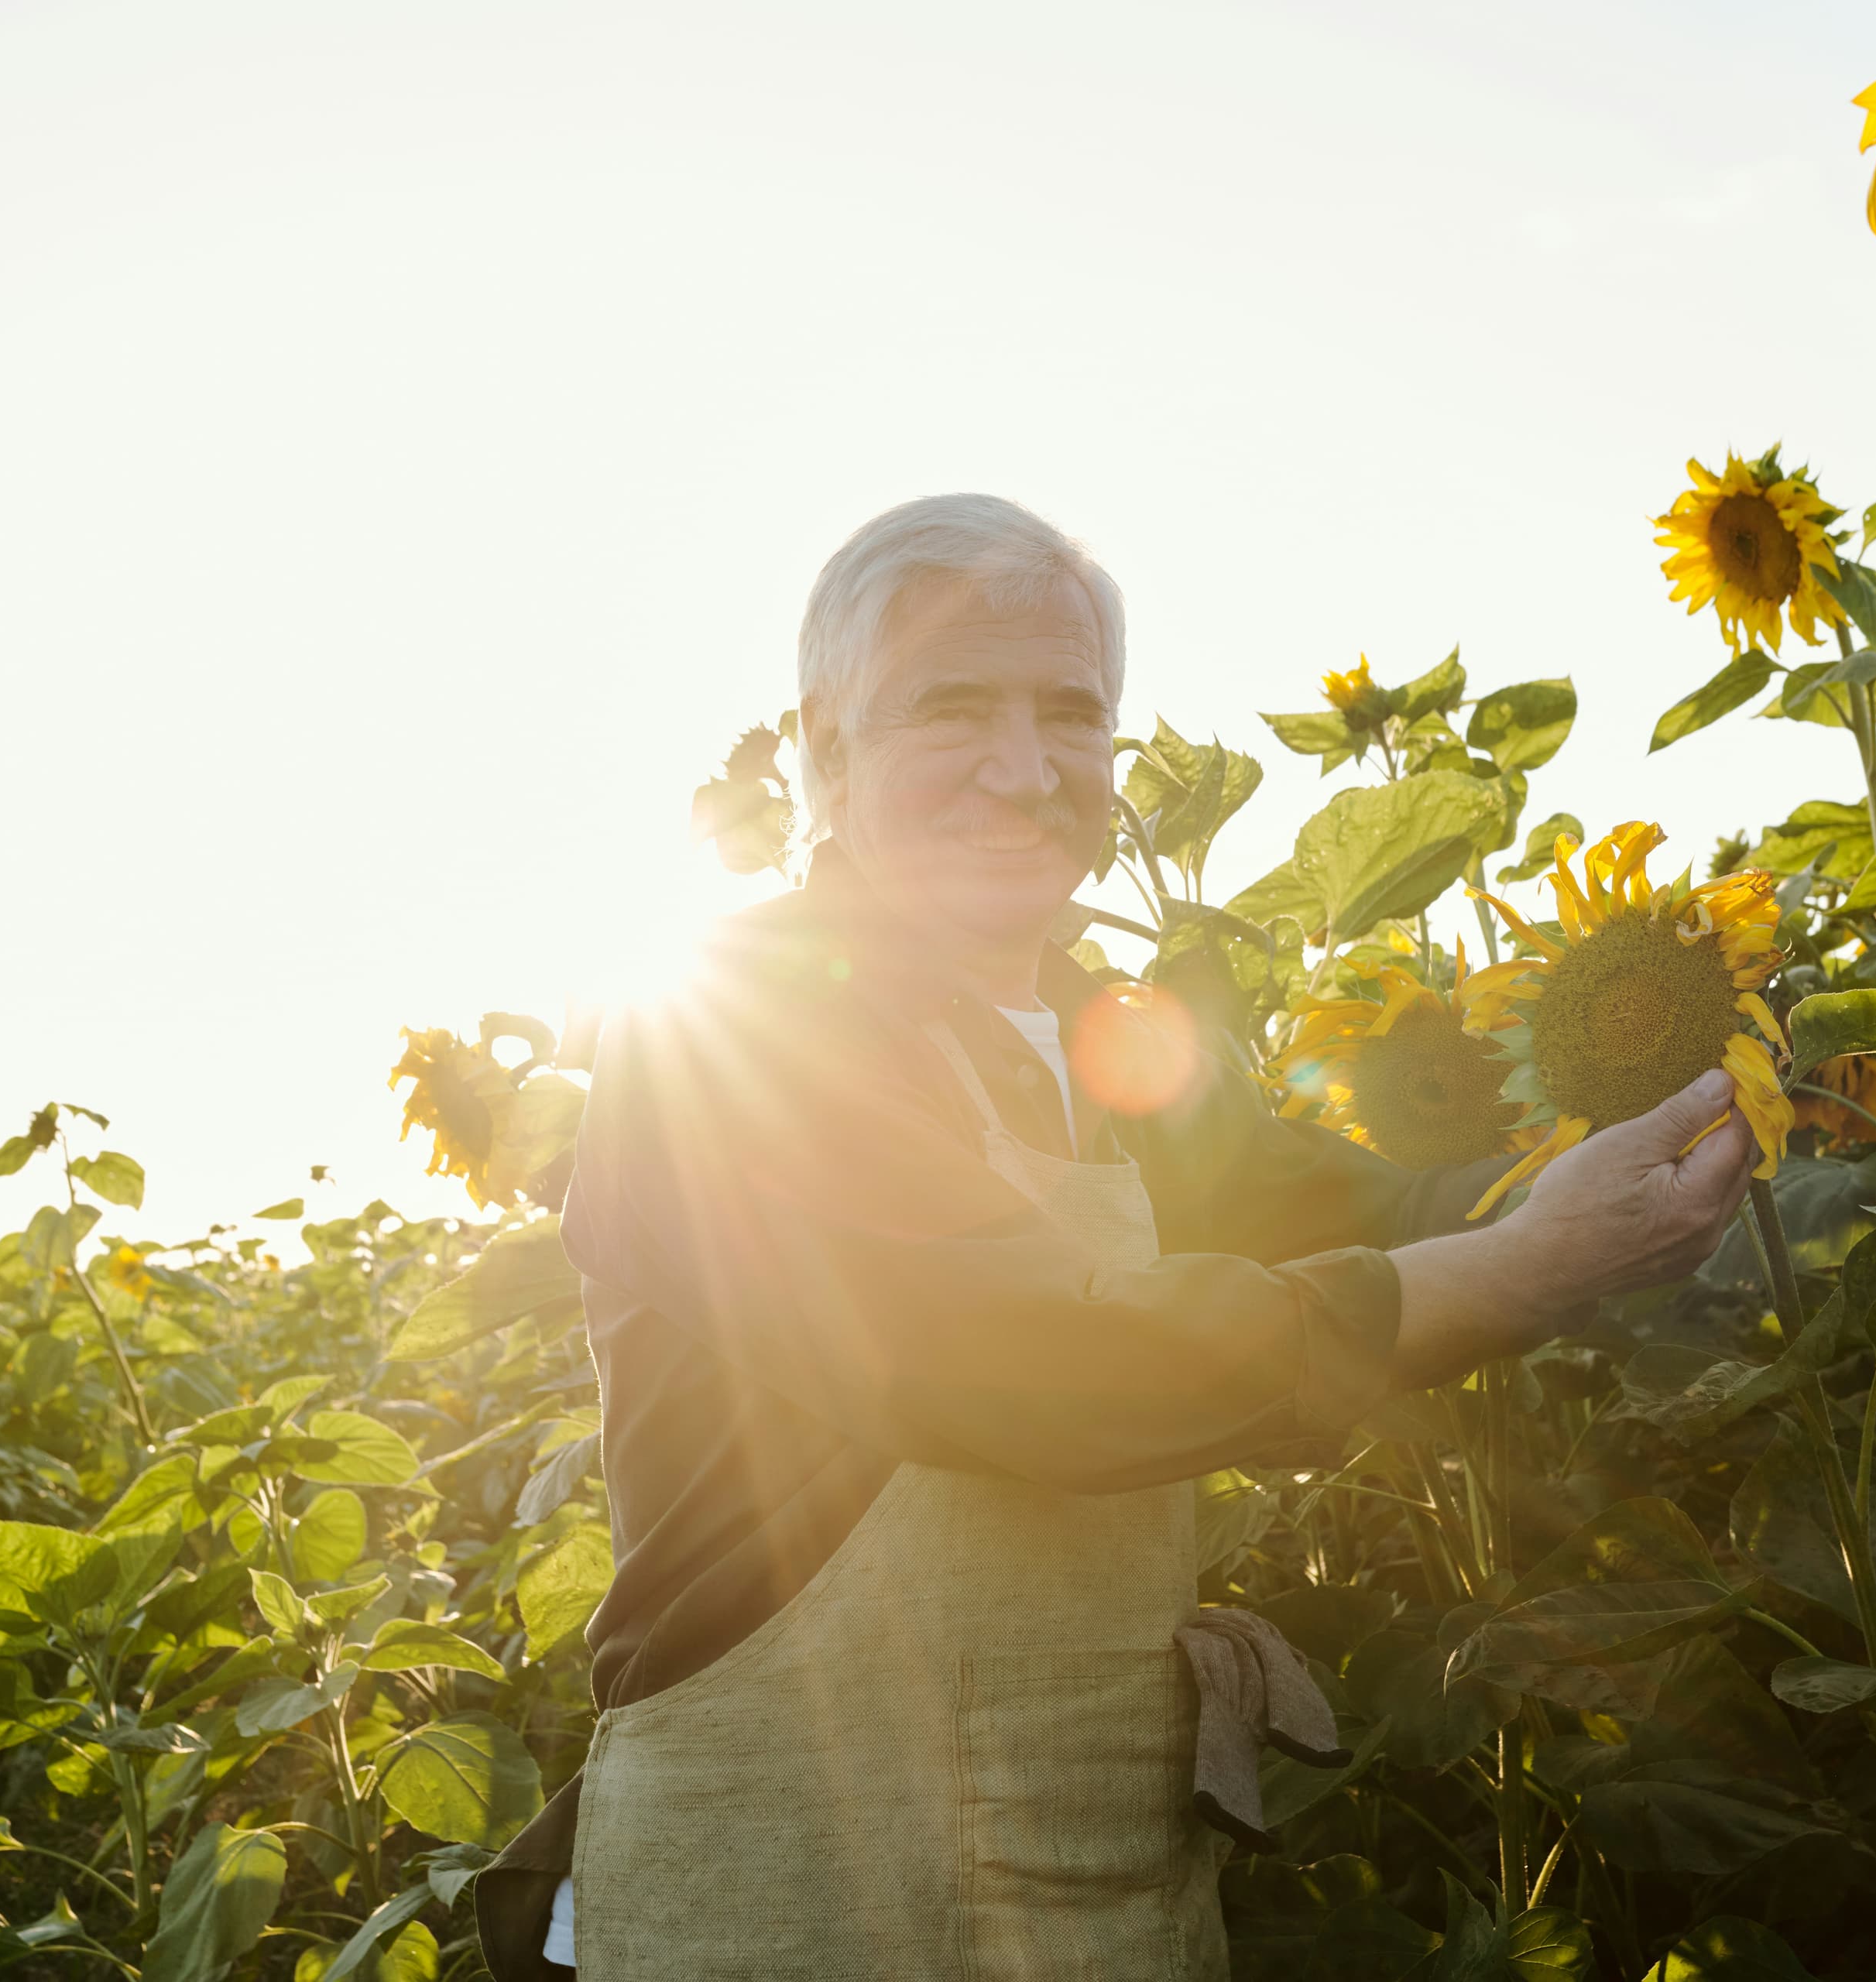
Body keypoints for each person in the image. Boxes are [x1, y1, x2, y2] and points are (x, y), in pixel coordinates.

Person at [475, 494, 1758, 1979]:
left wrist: (1636, 1120)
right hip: (794, 1883)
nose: (1023, 771)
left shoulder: (1110, 1038)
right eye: (952, 710)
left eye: (1071, 716)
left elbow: (1350, 1204)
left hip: (1099, 1891)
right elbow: (1018, 1357)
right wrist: (1522, 1268)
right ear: (827, 751)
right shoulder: (733, 1028)